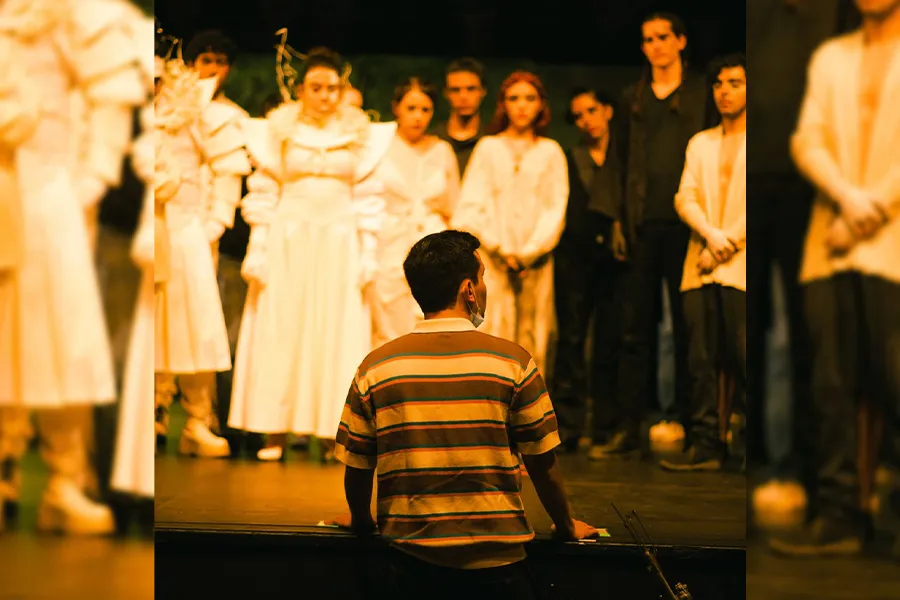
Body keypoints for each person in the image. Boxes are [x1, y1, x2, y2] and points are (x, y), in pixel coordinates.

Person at [329, 230, 600, 599]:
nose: (485, 286)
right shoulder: (513, 362)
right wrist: (565, 524)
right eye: (483, 277)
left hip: (410, 565)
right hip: (499, 567)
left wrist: (362, 522)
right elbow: (542, 463)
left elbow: (358, 466)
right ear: (468, 290)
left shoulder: (376, 367)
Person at [769, 0, 900, 557]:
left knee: (894, 380)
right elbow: (807, 138)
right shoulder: (831, 56)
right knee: (830, 383)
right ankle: (841, 518)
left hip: (890, 245)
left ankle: (891, 519)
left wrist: (871, 206)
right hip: (830, 241)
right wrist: (848, 200)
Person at [227, 46, 395, 462]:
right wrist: (259, 246)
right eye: (316, 87)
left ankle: (329, 431)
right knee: (282, 326)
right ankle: (274, 430)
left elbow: (367, 197)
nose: (324, 95)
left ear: (342, 90)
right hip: (290, 238)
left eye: (332, 88)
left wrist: (368, 250)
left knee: (335, 328)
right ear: (301, 89)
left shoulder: (359, 135)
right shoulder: (278, 132)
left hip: (338, 241)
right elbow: (264, 191)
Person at [614, 12, 716, 455]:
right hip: (642, 225)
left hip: (689, 226)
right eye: (648, 39)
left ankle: (698, 428)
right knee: (634, 329)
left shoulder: (700, 94)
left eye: (662, 37)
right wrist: (618, 221)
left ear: (681, 41)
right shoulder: (631, 97)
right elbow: (617, 165)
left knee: (692, 328)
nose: (655, 45)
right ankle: (630, 428)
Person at [660, 54, 747, 472]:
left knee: (745, 354)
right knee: (701, 358)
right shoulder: (701, 141)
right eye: (718, 84)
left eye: (735, 82)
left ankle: (750, 450)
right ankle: (708, 445)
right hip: (701, 262)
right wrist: (712, 238)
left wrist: (728, 241)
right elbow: (685, 196)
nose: (725, 91)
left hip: (742, 264)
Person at [451, 70, 568, 377]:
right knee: (494, 331)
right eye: (514, 98)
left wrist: (528, 253)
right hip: (494, 262)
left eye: (529, 98)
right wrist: (501, 250)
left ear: (541, 104)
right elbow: (470, 206)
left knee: (534, 335)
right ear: (503, 104)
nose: (522, 106)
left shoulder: (550, 151)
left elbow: (555, 209)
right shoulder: (489, 148)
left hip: (536, 263)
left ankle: (529, 416)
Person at [552, 87, 627, 457]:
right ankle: (568, 424)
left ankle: (605, 425)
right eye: (579, 115)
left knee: (610, 341)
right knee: (571, 340)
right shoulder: (571, 157)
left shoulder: (624, 156)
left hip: (614, 261)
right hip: (574, 258)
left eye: (592, 111)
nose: (587, 120)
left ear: (608, 111)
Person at [369, 77, 460, 348]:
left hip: (432, 244)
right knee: (389, 326)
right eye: (411, 108)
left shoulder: (442, 150)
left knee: (431, 322)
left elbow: (455, 206)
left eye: (425, 110)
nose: (418, 117)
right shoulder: (380, 147)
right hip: (388, 244)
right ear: (396, 107)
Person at [434, 57, 487, 176]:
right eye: (455, 90)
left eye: (471, 89)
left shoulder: (492, 140)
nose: (463, 96)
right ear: (446, 93)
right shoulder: (433, 140)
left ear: (483, 91)